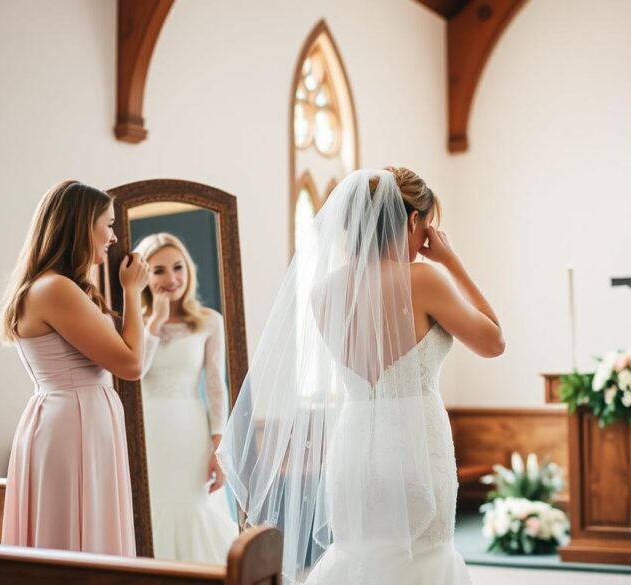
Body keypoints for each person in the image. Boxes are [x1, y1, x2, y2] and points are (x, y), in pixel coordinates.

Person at [220, 167, 504, 584]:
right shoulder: (424, 278)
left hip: (353, 451)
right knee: (423, 559)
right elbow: (493, 341)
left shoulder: (324, 292)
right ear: (412, 222)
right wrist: (451, 261)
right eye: (428, 225)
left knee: (358, 559)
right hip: (417, 450)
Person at [0, 180, 148, 555]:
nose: (113, 236)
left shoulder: (56, 287)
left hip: (73, 416)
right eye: (108, 224)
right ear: (82, 225)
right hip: (73, 423)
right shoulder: (55, 289)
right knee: (72, 536)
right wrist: (132, 292)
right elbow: (131, 364)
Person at [134, 232, 237, 563]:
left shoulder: (210, 321)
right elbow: (133, 372)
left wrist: (217, 447)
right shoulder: (133, 322)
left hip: (189, 430)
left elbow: (216, 385)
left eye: (177, 267)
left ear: (188, 270)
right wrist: (153, 323)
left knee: (193, 504)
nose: (171, 278)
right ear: (144, 275)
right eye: (158, 270)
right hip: (144, 432)